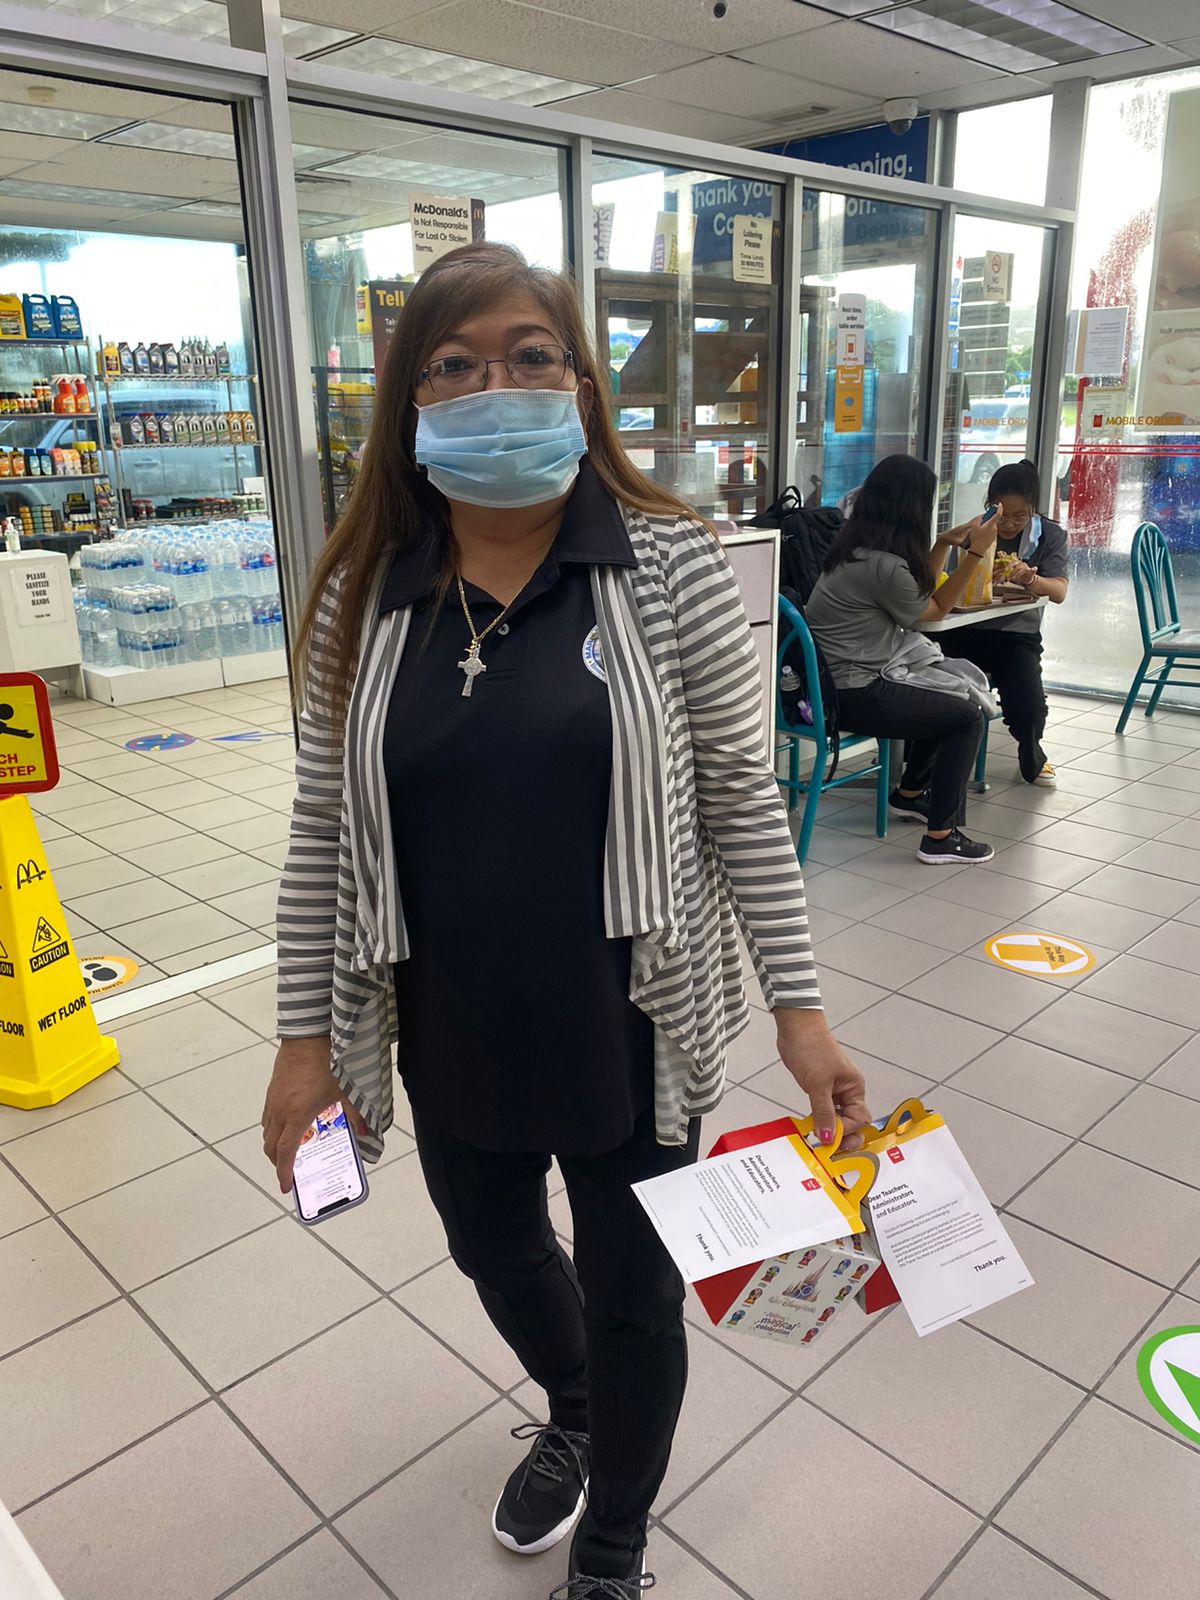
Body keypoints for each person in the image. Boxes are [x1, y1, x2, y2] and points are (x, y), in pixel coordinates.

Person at [260, 242, 870, 1600]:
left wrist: (803, 1012)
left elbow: (743, 804)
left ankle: (614, 1539)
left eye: (531, 354)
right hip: (444, 1018)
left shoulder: (668, 566)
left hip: (631, 1019)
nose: (497, 384)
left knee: (639, 1291)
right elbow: (321, 837)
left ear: (584, 385)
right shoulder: (366, 594)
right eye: (455, 364)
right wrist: (304, 1044)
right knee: (491, 1246)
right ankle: (578, 1409)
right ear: (408, 407)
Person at [805, 454, 999, 865]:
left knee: (938, 691)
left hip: (831, 688)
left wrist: (945, 544)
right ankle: (941, 838)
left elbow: (917, 595)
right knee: (965, 717)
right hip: (854, 693)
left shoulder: (855, 549)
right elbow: (933, 610)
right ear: (913, 509)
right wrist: (975, 556)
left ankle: (909, 794)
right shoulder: (884, 566)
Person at [937, 459, 1069, 786]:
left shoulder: (1050, 535)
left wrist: (1030, 579)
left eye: (1019, 516)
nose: (1008, 524)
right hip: (965, 629)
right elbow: (954, 583)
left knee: (1028, 703)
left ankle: (1031, 752)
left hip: (1015, 635)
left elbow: (1059, 591)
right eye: (1000, 513)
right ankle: (919, 765)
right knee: (932, 682)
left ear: (1033, 509)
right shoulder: (975, 529)